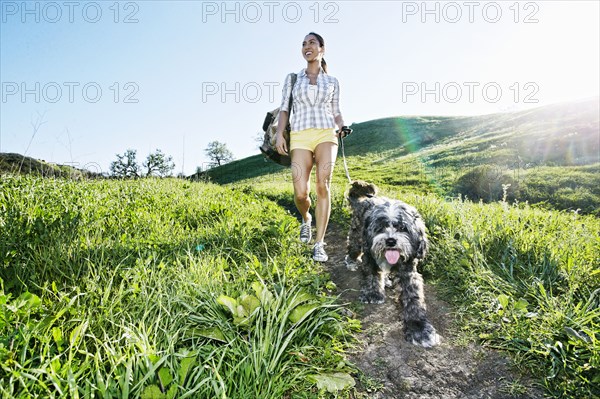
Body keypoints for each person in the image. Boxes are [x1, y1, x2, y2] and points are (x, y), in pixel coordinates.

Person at [275, 32, 347, 262]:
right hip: (300, 135)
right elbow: (284, 108)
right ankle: (306, 219)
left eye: (312, 43)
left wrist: (342, 126)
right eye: (304, 44)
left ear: (322, 49)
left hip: (326, 133)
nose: (307, 46)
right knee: (300, 192)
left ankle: (319, 243)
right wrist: (279, 134)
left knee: (323, 184)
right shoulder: (293, 79)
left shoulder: (333, 81)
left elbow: (336, 111)